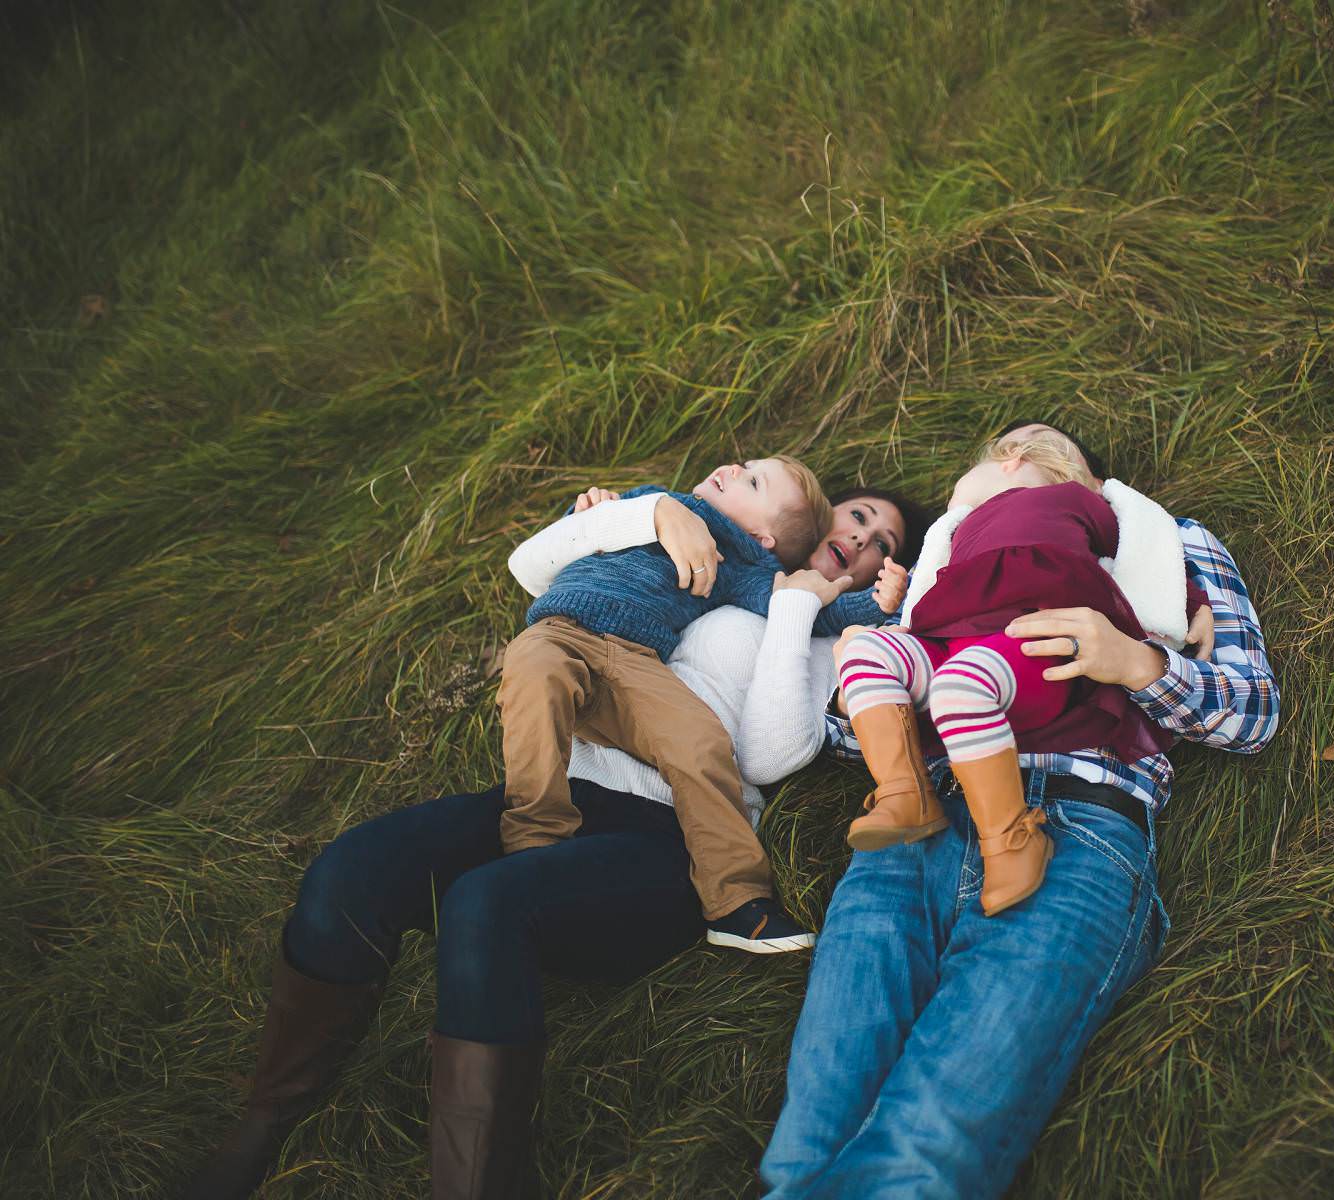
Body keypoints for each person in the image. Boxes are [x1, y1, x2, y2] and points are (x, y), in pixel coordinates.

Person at [183, 485, 924, 1200]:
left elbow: (767, 753)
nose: (861, 540)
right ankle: (269, 1116)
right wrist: (645, 513)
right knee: (353, 869)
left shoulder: (839, 635)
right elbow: (543, 568)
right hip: (565, 795)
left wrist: (806, 607)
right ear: (808, 519)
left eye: (881, 544)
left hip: (667, 842)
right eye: (858, 517)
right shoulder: (707, 555)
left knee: (486, 903)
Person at [761, 421, 1280, 1200]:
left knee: (921, 1155)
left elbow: (1254, 713)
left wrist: (1136, 659)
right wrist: (851, 634)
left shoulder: (1161, 542)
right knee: (804, 1152)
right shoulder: (945, 558)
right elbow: (842, 731)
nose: (1021, 445)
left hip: (1075, 825)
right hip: (915, 822)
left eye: (1044, 442)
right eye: (1004, 444)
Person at [499, 456, 905, 953]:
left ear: (764, 539)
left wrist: (881, 604)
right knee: (536, 684)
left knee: (701, 744)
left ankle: (738, 899)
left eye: (752, 480)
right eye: (745, 466)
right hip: (559, 631)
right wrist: (600, 511)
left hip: (637, 661)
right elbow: (550, 550)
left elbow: (811, 607)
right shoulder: (650, 496)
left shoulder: (744, 568)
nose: (733, 468)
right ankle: (534, 839)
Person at [836, 430, 1208, 915]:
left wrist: (1191, 604)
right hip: (948, 640)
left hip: (1032, 640)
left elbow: (1144, 552)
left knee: (962, 684)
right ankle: (905, 793)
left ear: (1013, 458)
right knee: (868, 651)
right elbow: (923, 600)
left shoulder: (1072, 501)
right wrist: (896, 605)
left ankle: (1010, 840)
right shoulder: (952, 535)